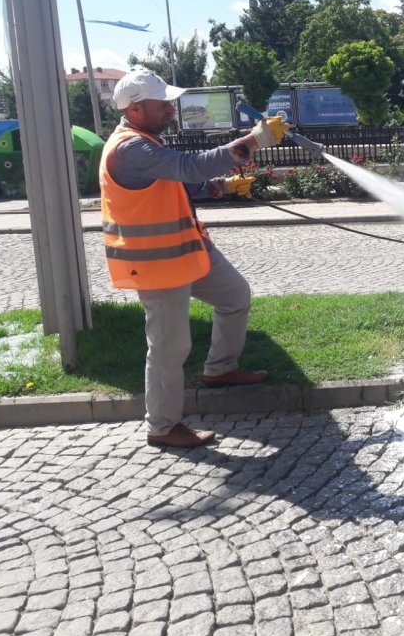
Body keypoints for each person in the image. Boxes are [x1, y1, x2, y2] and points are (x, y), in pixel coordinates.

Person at [100, 69, 289, 448]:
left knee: (235, 296)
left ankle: (220, 369)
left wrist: (220, 186)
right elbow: (188, 167)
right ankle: (163, 427)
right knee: (169, 348)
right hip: (156, 264)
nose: (171, 107)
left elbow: (179, 182)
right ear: (135, 109)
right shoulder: (131, 148)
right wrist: (255, 140)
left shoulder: (147, 140)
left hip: (185, 253)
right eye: (162, 102)